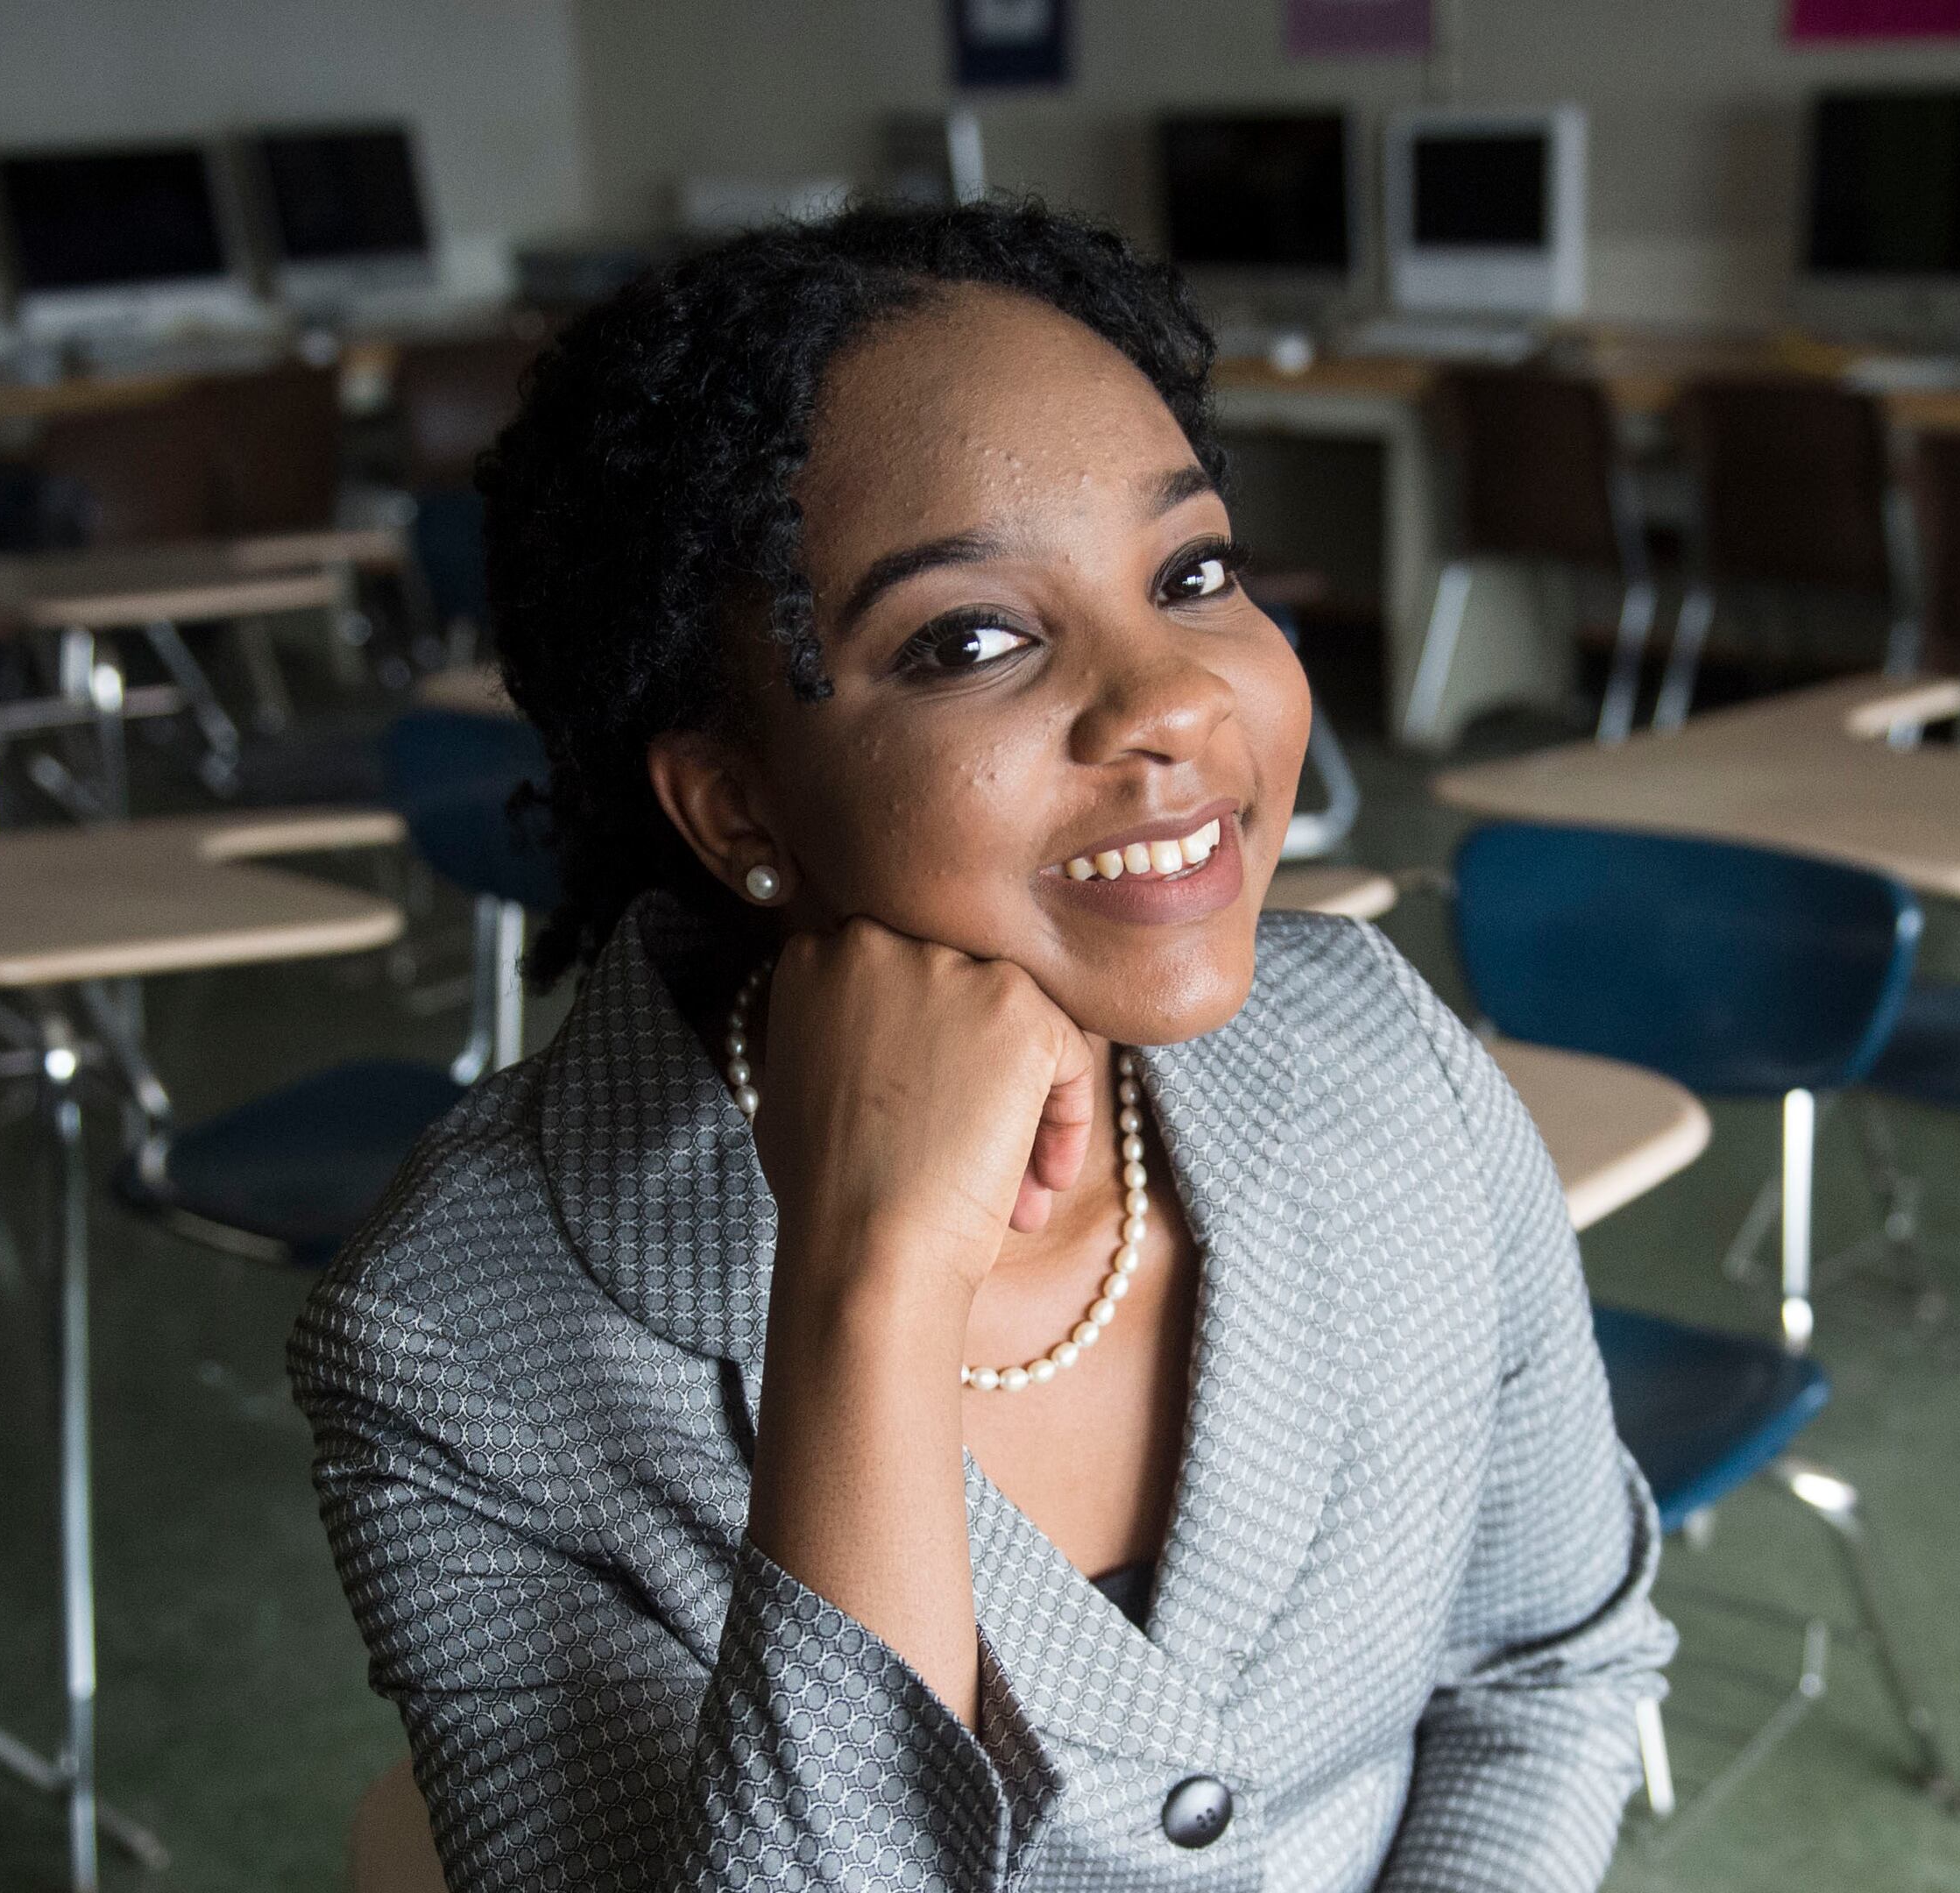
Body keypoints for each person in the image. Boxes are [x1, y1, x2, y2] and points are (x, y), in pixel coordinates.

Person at [291, 200, 1671, 1889]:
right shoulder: (459, 1340)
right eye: (971, 639)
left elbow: (1548, 1668)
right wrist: (867, 1290)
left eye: (1194, 574)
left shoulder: (1391, 1065)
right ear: (734, 802)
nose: (1169, 699)